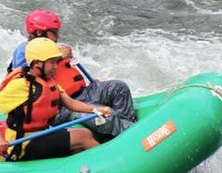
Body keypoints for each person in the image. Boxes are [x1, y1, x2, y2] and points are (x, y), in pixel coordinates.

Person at [9, 8, 136, 138]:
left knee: (118, 87)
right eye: (54, 32)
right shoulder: (24, 50)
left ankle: (125, 128)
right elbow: (27, 76)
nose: (58, 36)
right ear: (40, 32)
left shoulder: (51, 46)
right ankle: (132, 135)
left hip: (82, 93)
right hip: (62, 107)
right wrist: (60, 57)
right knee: (105, 117)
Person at [0, 38, 111, 161]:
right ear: (37, 63)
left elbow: (71, 103)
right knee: (82, 136)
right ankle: (108, 161)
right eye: (52, 62)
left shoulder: (48, 81)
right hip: (22, 144)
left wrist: (96, 109)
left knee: (86, 133)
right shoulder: (22, 85)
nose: (56, 67)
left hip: (41, 134)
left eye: (56, 62)